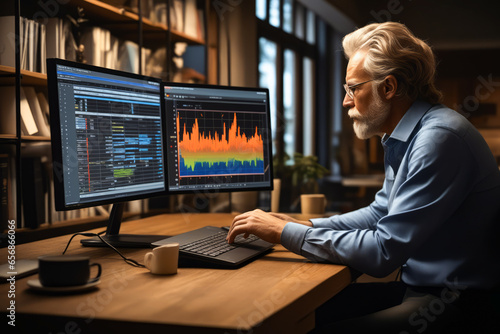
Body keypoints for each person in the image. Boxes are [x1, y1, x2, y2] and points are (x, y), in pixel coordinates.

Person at [227, 22, 500, 333]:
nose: (346, 101)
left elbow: (383, 251)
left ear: (388, 87)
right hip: (423, 289)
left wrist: (284, 233)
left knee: (300, 326)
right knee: (299, 314)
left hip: (457, 304)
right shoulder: (409, 135)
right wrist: (305, 225)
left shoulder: (438, 139)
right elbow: (380, 212)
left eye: (353, 88)